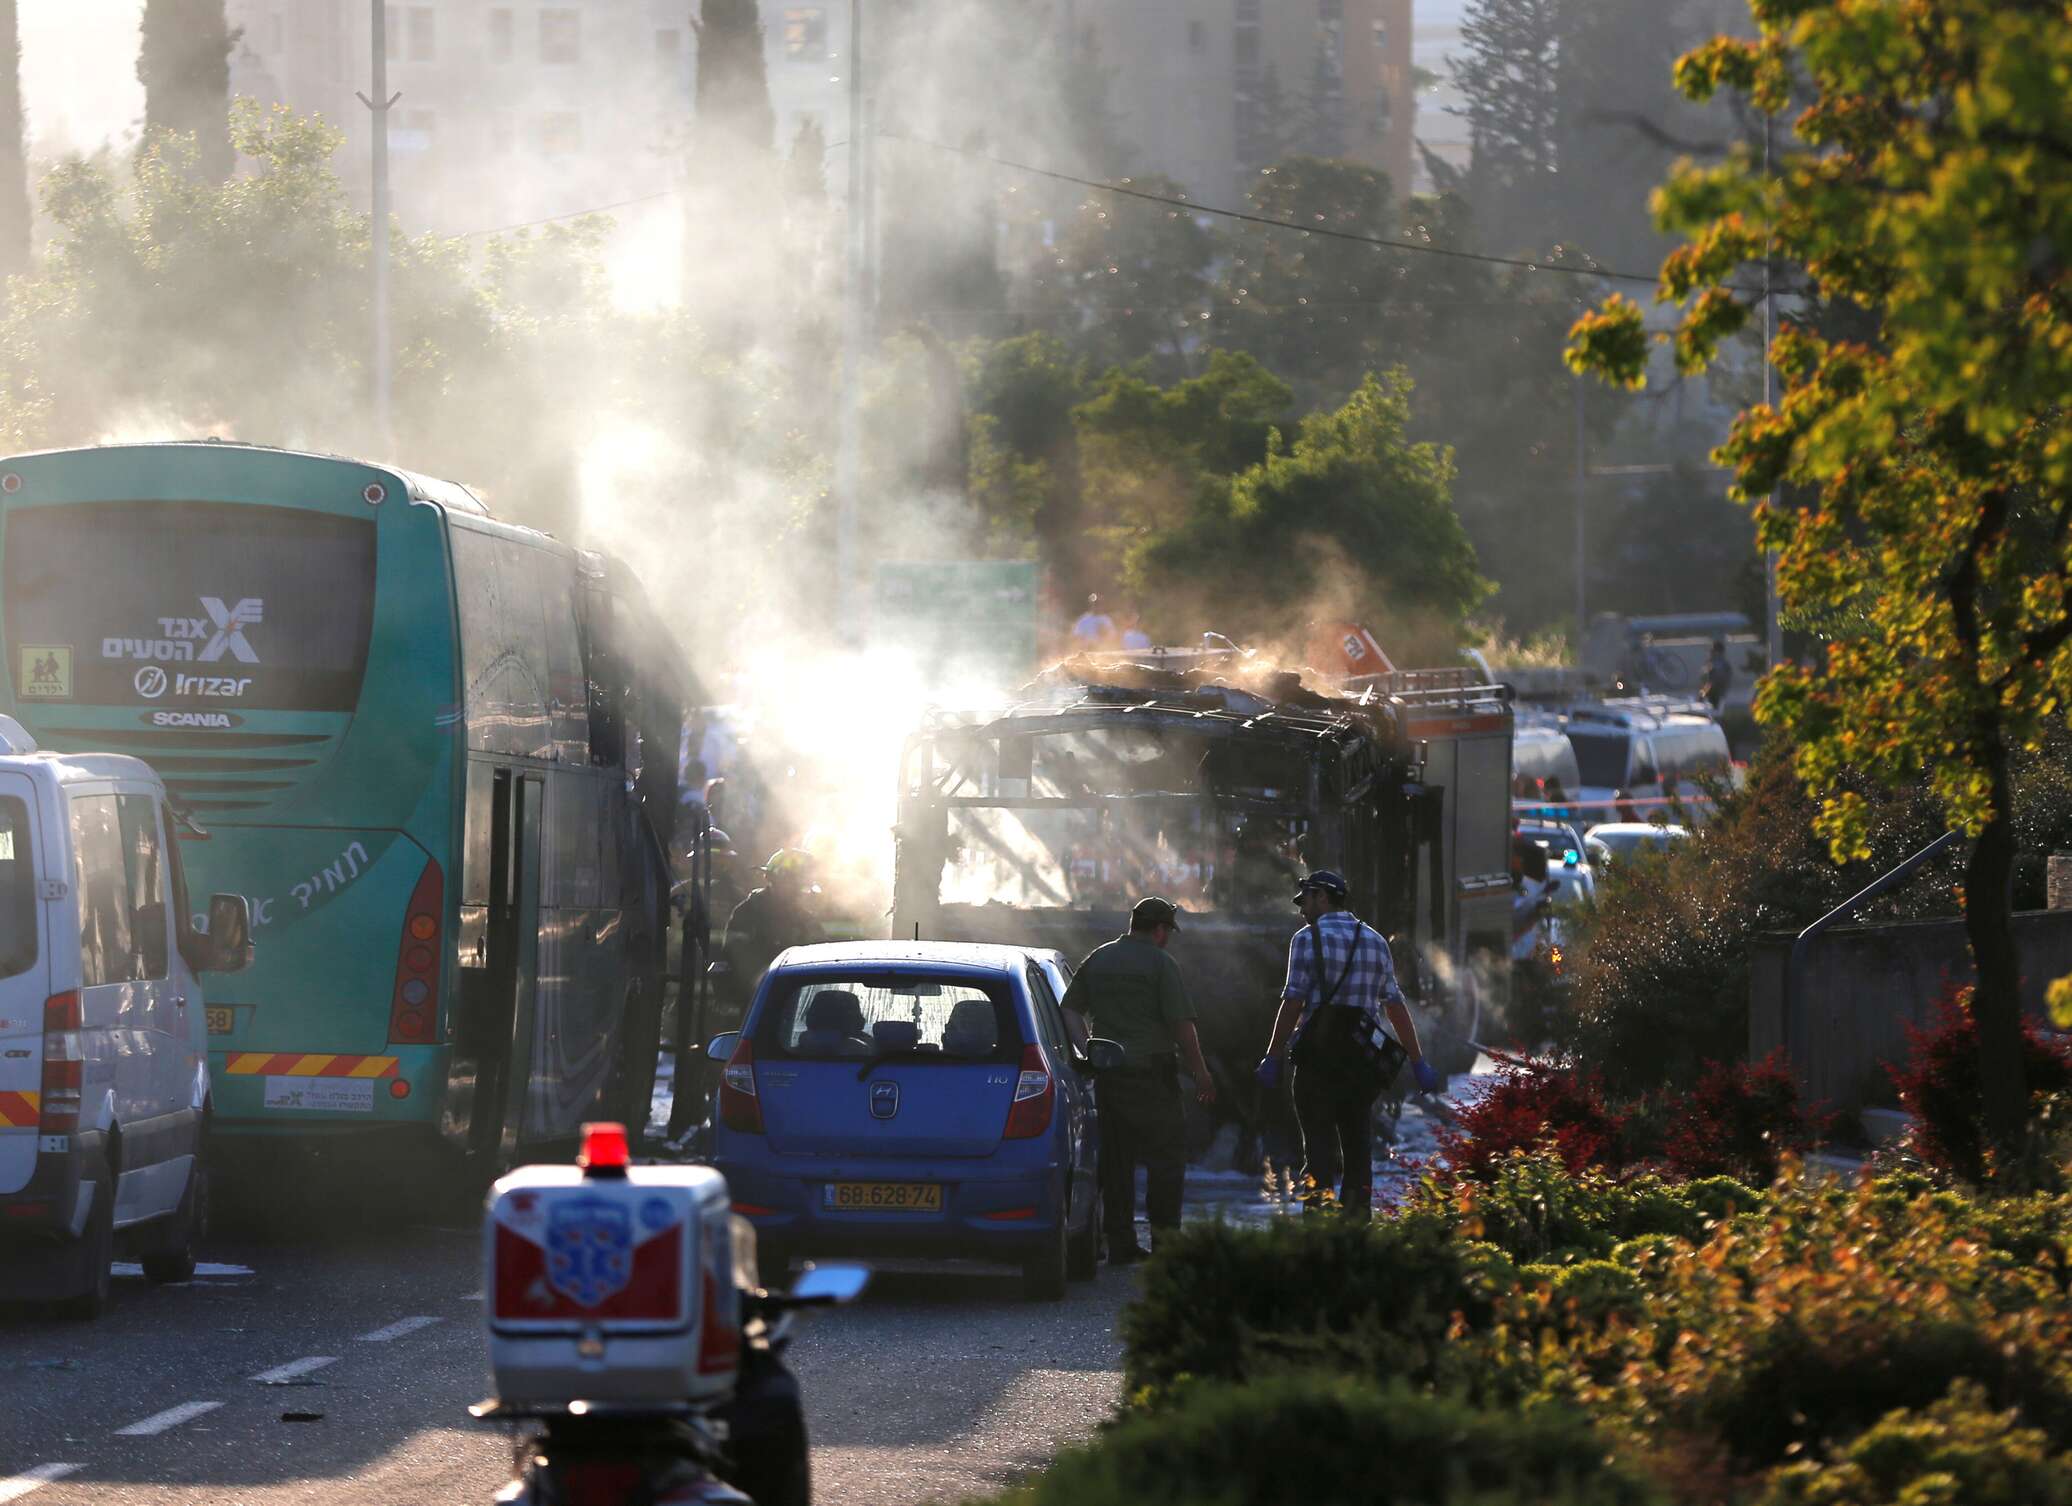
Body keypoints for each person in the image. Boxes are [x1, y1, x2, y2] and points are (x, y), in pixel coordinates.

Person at [1254, 871, 1439, 1219]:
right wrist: (1417, 1061)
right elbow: (1394, 1006)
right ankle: (1357, 1224)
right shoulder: (1375, 941)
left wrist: (1272, 1055)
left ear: (1322, 897)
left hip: (1317, 1063)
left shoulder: (1306, 939)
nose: (1301, 910)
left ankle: (1319, 1227)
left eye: (1305, 900)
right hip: (1361, 1065)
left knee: (1319, 1150)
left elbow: (1293, 1002)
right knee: (1358, 1146)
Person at [1060, 896, 1217, 1262]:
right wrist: (1201, 1073)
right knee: (1166, 1162)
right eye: (1168, 932)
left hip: (1111, 1079)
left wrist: (1089, 1050)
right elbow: (1182, 1025)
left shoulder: (1099, 957)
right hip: (1152, 1080)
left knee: (1117, 1162)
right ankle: (1166, 1245)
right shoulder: (1161, 963)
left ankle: (1121, 1243)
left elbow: (1069, 1009)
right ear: (1160, 929)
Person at [717, 849, 819, 1031]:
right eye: (792, 883)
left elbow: (818, 954)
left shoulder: (803, 916)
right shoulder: (748, 912)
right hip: (756, 1004)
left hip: (797, 1002)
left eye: (799, 883)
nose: (797, 889)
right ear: (773, 880)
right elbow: (737, 957)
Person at [1702, 638, 1734, 710]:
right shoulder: (1723, 663)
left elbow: (1710, 681)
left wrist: (1702, 694)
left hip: (1715, 693)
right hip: (1718, 692)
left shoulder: (1716, 663)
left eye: (1712, 650)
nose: (1710, 652)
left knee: (1713, 709)